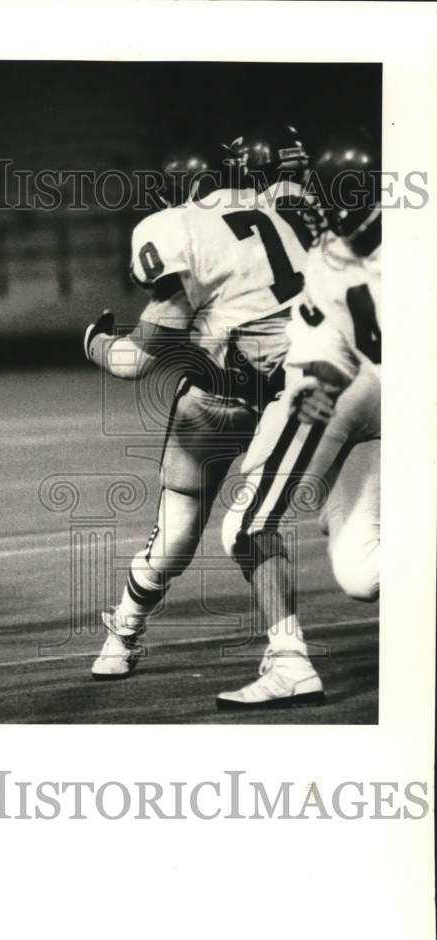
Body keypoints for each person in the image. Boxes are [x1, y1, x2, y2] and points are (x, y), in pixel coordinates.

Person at [85, 126, 313, 679]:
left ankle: (127, 630)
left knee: (184, 537)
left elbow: (133, 362)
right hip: (297, 394)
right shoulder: (293, 212)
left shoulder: (179, 227)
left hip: (223, 395)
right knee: (256, 527)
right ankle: (285, 648)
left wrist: (94, 341)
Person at [218, 131, 381, 709]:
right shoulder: (365, 240)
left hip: (340, 385)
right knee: (363, 574)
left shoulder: (291, 234)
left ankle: (290, 664)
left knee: (246, 525)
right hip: (377, 391)